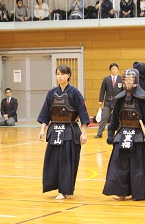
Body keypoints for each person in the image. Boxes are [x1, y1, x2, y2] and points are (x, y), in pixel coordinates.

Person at [103, 68, 145, 201]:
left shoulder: (144, 100)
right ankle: (121, 192)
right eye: (125, 79)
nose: (127, 82)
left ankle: (139, 193)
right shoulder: (119, 99)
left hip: (138, 137)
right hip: (122, 135)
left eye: (130, 79)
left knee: (138, 168)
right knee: (119, 166)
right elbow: (114, 118)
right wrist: (110, 133)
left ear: (136, 81)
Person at [37, 64, 89, 200]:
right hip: (55, 131)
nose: (60, 76)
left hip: (70, 132)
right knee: (53, 160)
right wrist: (43, 130)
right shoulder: (51, 93)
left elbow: (83, 115)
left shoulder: (75, 93)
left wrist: (84, 133)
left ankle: (65, 190)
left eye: (62, 74)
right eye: (58, 74)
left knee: (67, 161)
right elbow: (45, 114)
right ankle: (55, 186)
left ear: (69, 75)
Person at [94, 63, 123, 138]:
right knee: (104, 118)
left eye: (115, 69)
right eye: (113, 69)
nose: (114, 70)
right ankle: (99, 133)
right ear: (110, 70)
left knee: (119, 118)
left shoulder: (121, 79)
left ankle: (120, 133)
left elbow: (123, 91)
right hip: (108, 101)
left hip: (118, 102)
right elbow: (102, 90)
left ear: (118, 70)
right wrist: (100, 100)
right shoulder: (106, 79)